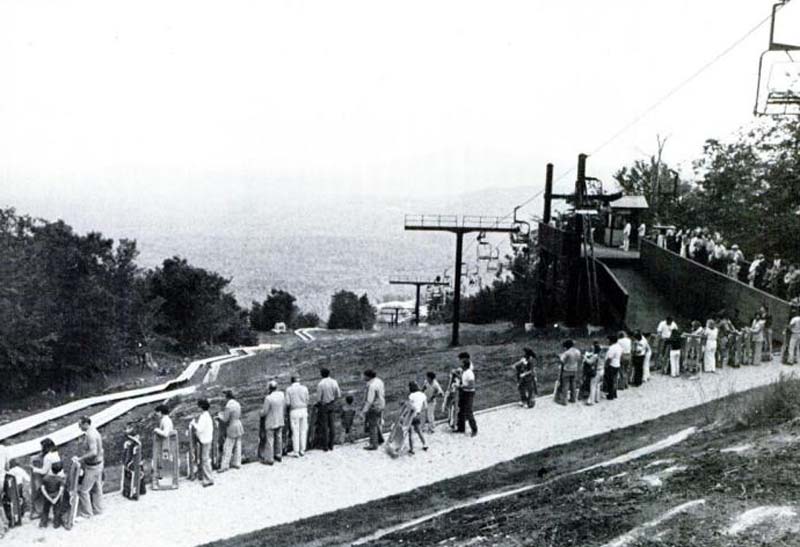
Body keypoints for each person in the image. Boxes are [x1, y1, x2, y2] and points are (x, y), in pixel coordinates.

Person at [76, 416, 104, 518]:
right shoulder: (94, 431)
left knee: (84, 491)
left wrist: (80, 458)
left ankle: (87, 513)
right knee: (97, 488)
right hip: (99, 464)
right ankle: (98, 509)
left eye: (80, 425)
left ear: (85, 424)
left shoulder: (91, 435)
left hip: (93, 467)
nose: (79, 427)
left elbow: (93, 452)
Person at [30, 438, 60, 520]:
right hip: (57, 477)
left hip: (50, 479)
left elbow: (43, 471)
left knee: (37, 483)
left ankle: (39, 510)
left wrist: (34, 469)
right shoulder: (55, 453)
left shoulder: (48, 456)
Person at [316, 368, 341, 452]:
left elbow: (319, 398)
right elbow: (338, 394)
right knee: (332, 425)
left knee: (324, 426)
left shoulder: (321, 384)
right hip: (332, 404)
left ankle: (325, 445)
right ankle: (331, 445)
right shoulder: (334, 382)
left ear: (321, 374)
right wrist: (333, 401)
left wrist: (321, 403)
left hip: (324, 405)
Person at [260, 380, 286, 464]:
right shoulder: (281, 395)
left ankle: (269, 458)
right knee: (279, 438)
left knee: (270, 440)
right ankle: (278, 455)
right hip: (280, 419)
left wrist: (260, 413)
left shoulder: (268, 398)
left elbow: (265, 411)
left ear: (270, 388)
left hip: (271, 421)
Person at [217, 390, 244, 470]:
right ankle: (237, 463)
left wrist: (219, 417)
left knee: (227, 447)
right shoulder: (237, 404)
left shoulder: (229, 406)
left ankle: (224, 466)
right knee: (237, 445)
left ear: (227, 397)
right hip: (238, 424)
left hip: (232, 426)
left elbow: (225, 419)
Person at [360, 369, 386, 450]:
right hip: (381, 404)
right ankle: (380, 439)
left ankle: (373, 444)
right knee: (377, 422)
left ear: (368, 376)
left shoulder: (371, 386)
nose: (362, 377)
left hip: (374, 407)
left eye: (363, 375)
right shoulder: (379, 381)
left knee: (372, 425)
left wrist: (363, 411)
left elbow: (369, 401)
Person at [191, 399, 214, 487]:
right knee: (205, 458)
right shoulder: (207, 416)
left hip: (205, 440)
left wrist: (194, 424)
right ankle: (204, 475)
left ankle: (209, 479)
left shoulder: (203, 417)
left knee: (205, 459)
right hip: (207, 439)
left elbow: (200, 429)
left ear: (201, 407)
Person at [285, 377, 309, 457]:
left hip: (294, 410)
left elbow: (287, 403)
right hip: (304, 409)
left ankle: (296, 451)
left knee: (295, 431)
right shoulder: (304, 388)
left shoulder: (289, 390)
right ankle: (303, 449)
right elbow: (307, 399)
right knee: (303, 430)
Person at [456, 353, 478, 436]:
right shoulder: (465, 372)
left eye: (461, 364)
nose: (460, 365)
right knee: (461, 409)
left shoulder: (469, 373)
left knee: (468, 411)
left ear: (465, 365)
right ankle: (461, 428)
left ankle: (474, 429)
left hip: (469, 393)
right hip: (464, 392)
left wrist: (461, 386)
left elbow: (471, 385)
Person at [38, 461, 65, 529]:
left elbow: (43, 489)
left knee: (45, 510)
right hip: (56, 497)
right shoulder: (60, 479)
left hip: (47, 496)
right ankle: (56, 524)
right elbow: (61, 490)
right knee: (57, 510)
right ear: (60, 471)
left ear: (51, 468)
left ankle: (43, 523)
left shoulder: (45, 478)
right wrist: (56, 499)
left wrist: (48, 497)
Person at [406, 382, 429, 454]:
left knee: (410, 432)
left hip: (411, 415)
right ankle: (425, 444)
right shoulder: (423, 395)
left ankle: (411, 448)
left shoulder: (411, 395)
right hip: (418, 414)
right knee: (418, 430)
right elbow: (425, 406)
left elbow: (409, 406)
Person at [153, 404, 174, 477]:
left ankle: (166, 475)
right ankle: (163, 474)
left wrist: (157, 430)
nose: (156, 414)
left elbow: (165, 433)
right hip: (164, 442)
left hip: (166, 442)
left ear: (161, 412)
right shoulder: (164, 420)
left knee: (165, 458)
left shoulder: (166, 421)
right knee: (163, 458)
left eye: (157, 412)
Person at [585, 341, 604, 405]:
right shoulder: (602, 355)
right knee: (597, 385)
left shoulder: (595, 356)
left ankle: (591, 400)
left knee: (592, 386)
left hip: (596, 371)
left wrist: (585, 358)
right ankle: (597, 399)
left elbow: (590, 362)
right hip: (602, 371)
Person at [604, 335, 622, 400]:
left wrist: (606, 366)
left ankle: (610, 394)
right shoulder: (619, 346)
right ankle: (614, 393)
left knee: (610, 381)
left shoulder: (612, 348)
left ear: (611, 340)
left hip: (611, 365)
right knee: (614, 380)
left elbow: (609, 358)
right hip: (617, 364)